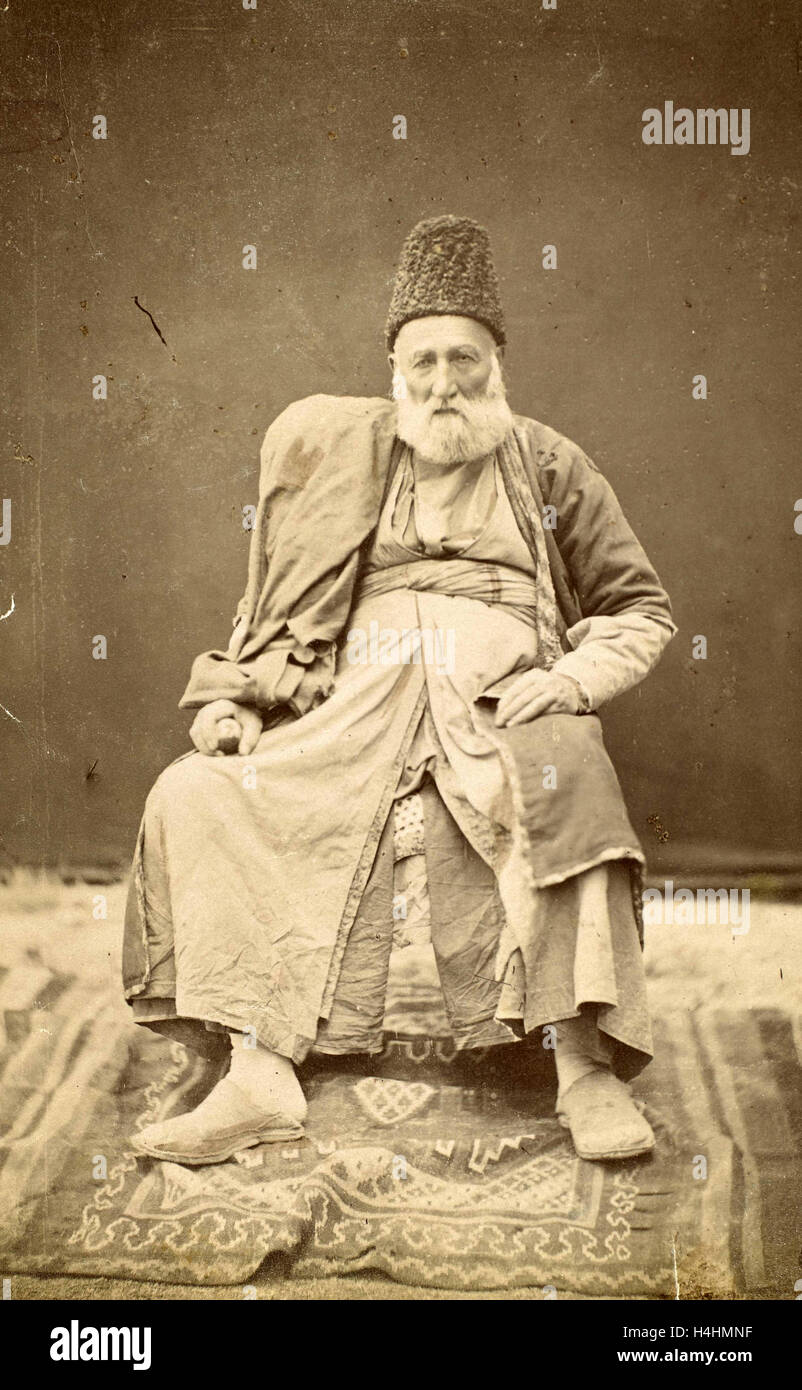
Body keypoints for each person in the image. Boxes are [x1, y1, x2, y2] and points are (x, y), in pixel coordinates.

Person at [123, 215, 676, 1166]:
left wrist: (571, 679)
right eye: (422, 361)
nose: (443, 383)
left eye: (465, 358)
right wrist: (237, 700)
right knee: (199, 790)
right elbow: (274, 607)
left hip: (499, 705)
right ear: (394, 369)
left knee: (570, 783)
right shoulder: (347, 457)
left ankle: (581, 1067)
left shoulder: (548, 463)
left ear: (497, 362)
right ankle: (259, 1072)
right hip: (351, 708)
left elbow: (643, 612)